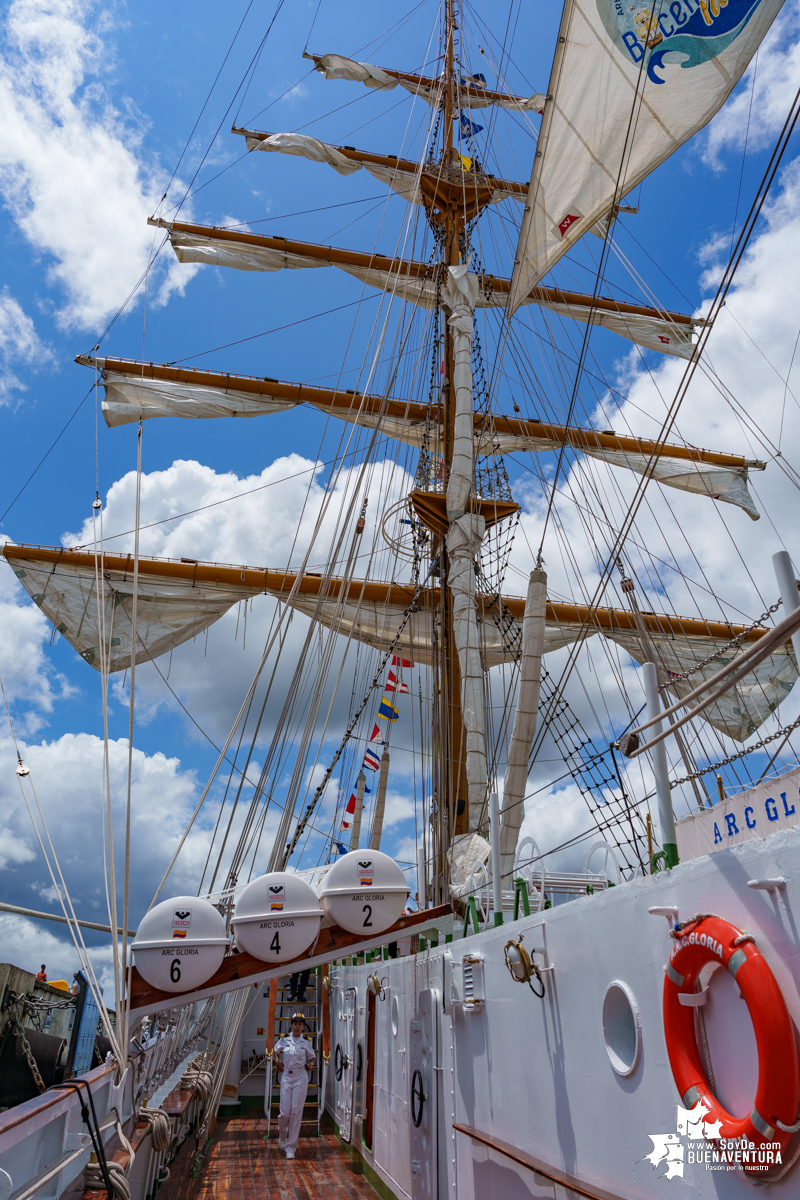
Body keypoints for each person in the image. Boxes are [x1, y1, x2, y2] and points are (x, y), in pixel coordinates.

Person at [274, 1013, 315, 1159]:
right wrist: (277, 1060)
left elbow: (312, 1056)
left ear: (303, 1027)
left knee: (296, 1111)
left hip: (300, 1077)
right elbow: (275, 1049)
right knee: (285, 1112)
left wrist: (311, 1065)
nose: (298, 1026)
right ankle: (282, 1134)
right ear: (291, 1025)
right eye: (295, 1023)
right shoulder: (284, 1039)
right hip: (286, 1075)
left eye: (300, 1024)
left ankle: (291, 1147)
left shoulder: (306, 1042)